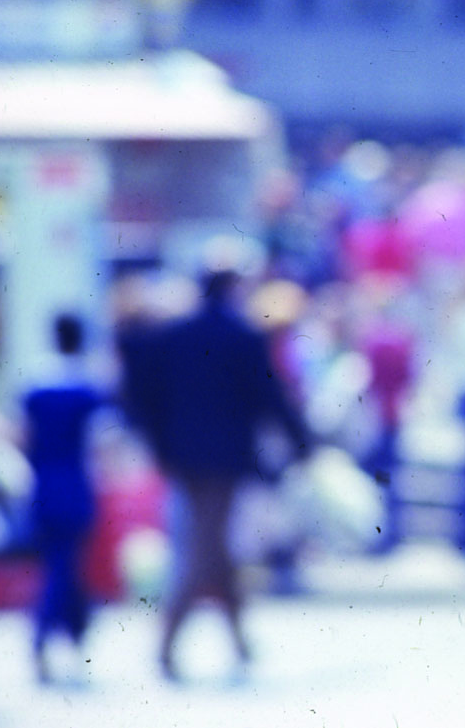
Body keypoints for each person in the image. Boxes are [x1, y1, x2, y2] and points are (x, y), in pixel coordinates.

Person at [143, 251, 312, 680]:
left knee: (211, 541)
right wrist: (302, 441)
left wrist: (161, 446)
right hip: (224, 459)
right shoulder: (242, 335)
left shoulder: (175, 334)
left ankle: (237, 640)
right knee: (206, 546)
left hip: (184, 457)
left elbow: (149, 396)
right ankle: (168, 642)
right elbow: (269, 395)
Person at [20, 313, 106, 683]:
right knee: (64, 565)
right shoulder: (88, 388)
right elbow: (101, 441)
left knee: (60, 562)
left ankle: (71, 635)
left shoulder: (35, 385)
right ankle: (48, 635)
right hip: (74, 483)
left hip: (42, 483)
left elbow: (23, 435)